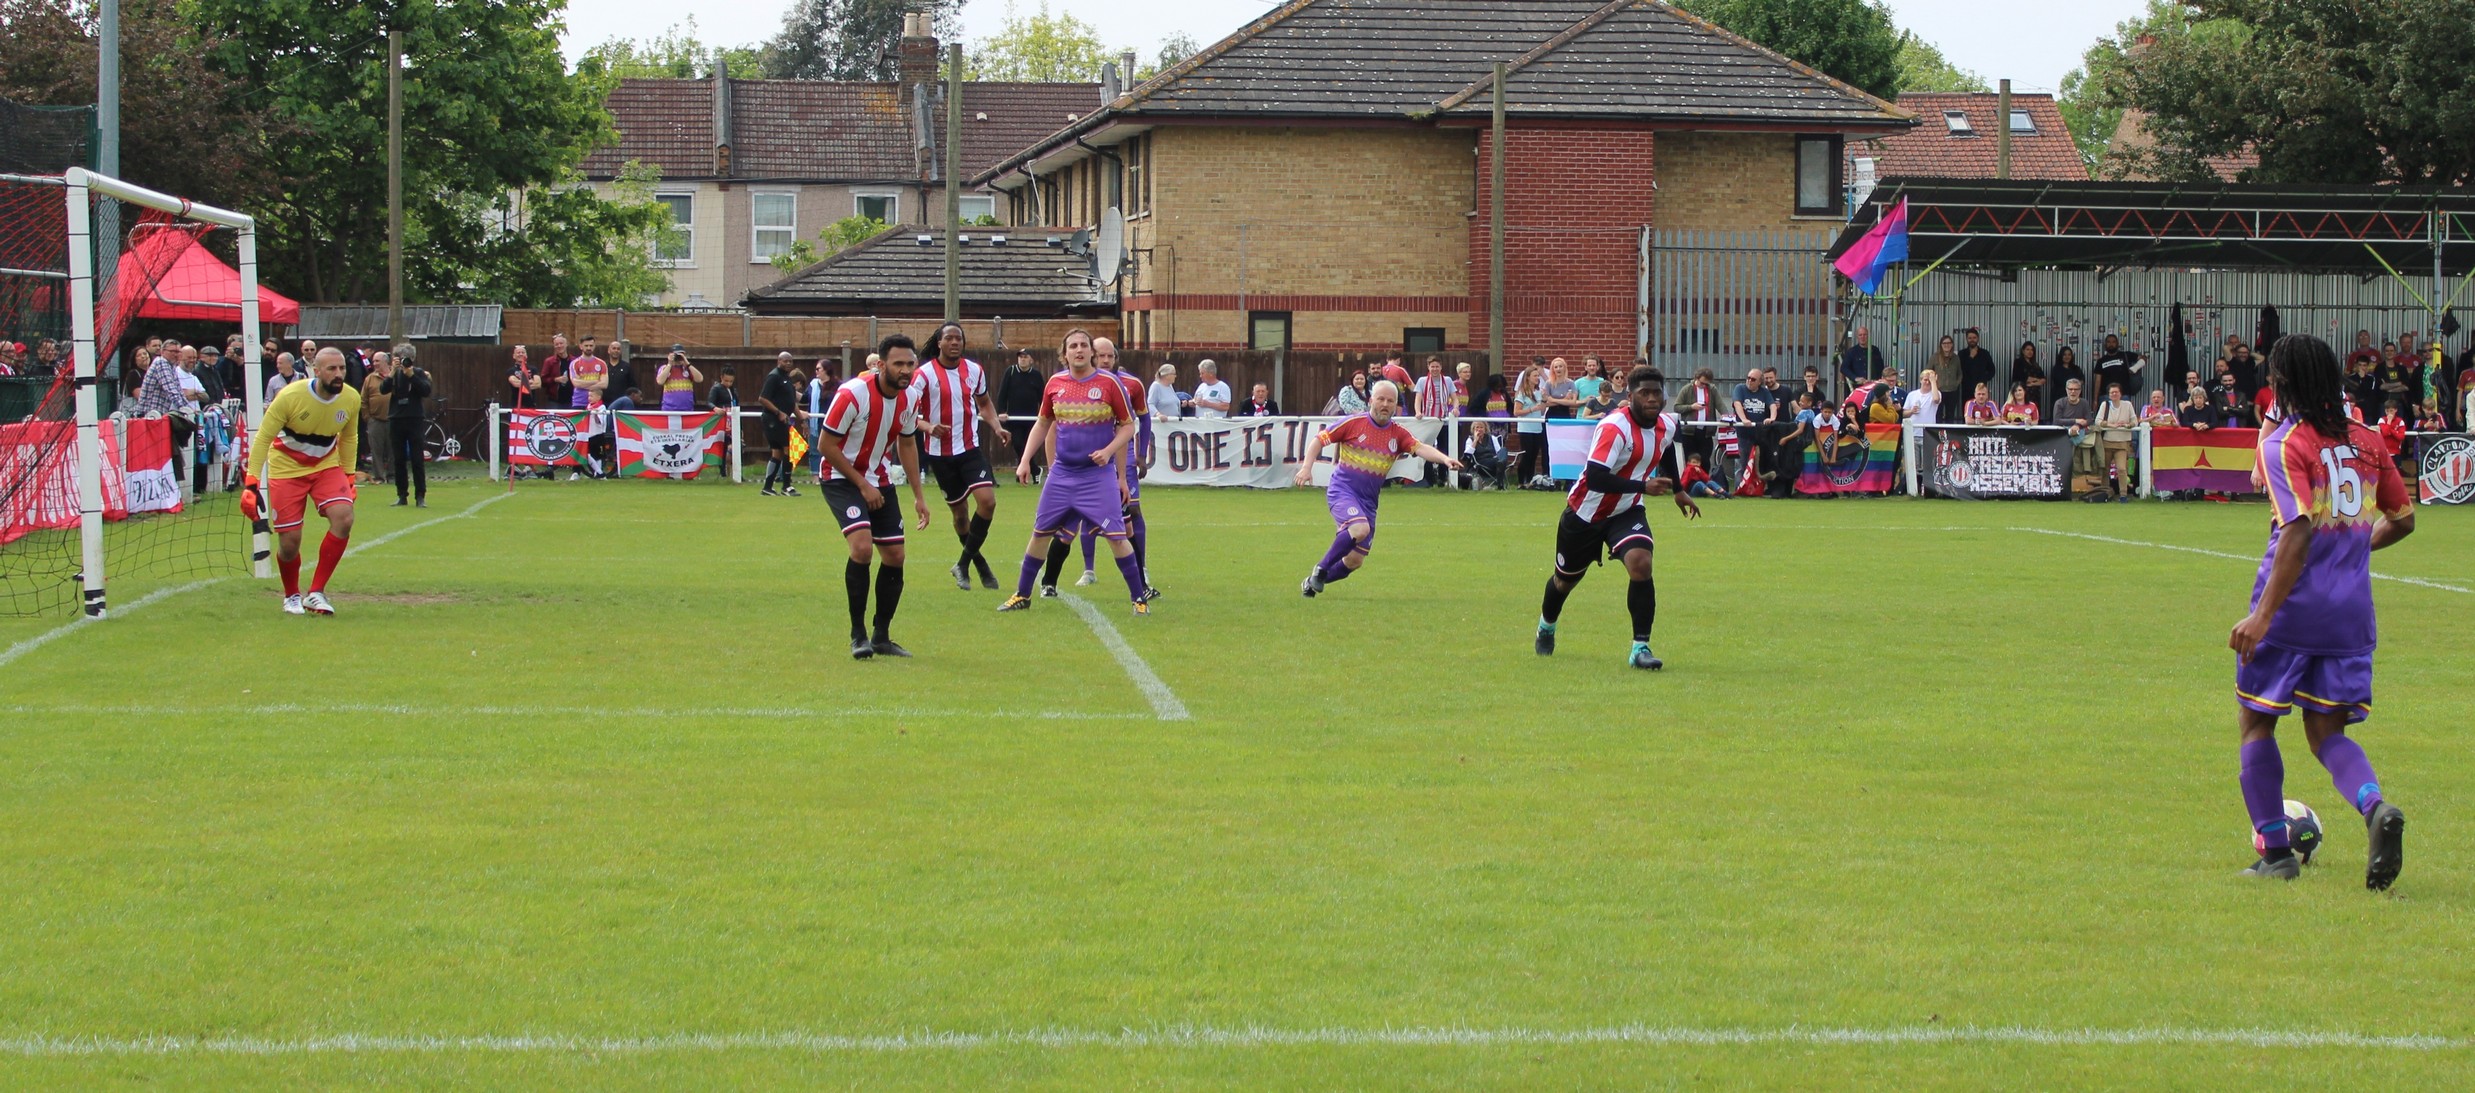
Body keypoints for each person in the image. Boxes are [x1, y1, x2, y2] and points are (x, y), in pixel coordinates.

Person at [2229, 334, 2414, 886]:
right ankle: (2374, 806)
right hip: (2350, 614)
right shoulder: (2368, 439)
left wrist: (2262, 616)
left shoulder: (2284, 442)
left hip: (2290, 610)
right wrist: (2355, 549)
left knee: (2256, 721)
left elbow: (2297, 531)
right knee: (2326, 732)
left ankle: (2277, 855)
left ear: (2283, 384)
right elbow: (2403, 519)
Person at [1535, 364, 1699, 669]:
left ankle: (1640, 649)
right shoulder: (1614, 427)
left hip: (1627, 510)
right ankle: (1547, 625)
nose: (1652, 399)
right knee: (1564, 582)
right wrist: (1643, 486)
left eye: (1656, 393)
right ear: (1631, 397)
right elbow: (1596, 477)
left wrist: (1678, 489)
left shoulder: (1666, 424)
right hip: (1585, 514)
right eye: (1644, 393)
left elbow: (1664, 448)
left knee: (1641, 563)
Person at [998, 329, 1151, 615]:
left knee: (1117, 536)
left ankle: (1138, 599)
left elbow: (1128, 426)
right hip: (1062, 474)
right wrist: (1025, 460)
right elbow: (1043, 423)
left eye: (1083, 345)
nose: (1079, 350)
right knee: (1040, 533)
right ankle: (1022, 594)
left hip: (1097, 476)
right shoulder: (1055, 383)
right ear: (1064, 353)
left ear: (1091, 352)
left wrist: (1109, 453)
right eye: (1073, 346)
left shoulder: (1109, 383)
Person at [818, 334, 931, 660]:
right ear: (881, 365)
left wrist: (919, 495)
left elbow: (907, 444)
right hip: (840, 478)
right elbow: (826, 446)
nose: (905, 370)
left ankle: (882, 636)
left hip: (879, 480)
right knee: (862, 547)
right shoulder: (852, 394)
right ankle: (858, 635)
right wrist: (862, 485)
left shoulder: (910, 398)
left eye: (910, 363)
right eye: (898, 364)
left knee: (895, 555)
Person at [1295, 380, 1460, 597]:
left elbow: (1421, 448)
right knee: (1359, 529)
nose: (1385, 404)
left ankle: (1311, 582)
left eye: (1390, 401)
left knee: (1354, 561)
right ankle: (1321, 568)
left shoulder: (1398, 434)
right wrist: (1306, 468)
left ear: (1395, 405)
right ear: (1371, 400)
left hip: (1369, 501)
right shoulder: (1353, 423)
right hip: (1343, 491)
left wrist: (1445, 459)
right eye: (1380, 399)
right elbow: (1318, 440)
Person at [244, 348, 360, 616]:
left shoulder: (351, 398)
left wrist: (349, 475)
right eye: (331, 369)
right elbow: (263, 438)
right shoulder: (290, 397)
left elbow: (349, 437)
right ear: (316, 371)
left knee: (344, 518)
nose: (339, 374)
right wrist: (251, 483)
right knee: (290, 543)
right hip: (286, 469)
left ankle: (316, 592)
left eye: (342, 368)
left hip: (326, 465)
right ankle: (291, 595)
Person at [910, 322, 1009, 592]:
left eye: (959, 338)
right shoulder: (924, 374)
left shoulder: (974, 370)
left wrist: (996, 427)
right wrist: (928, 426)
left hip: (969, 449)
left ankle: (963, 564)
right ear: (939, 343)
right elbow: (907, 413)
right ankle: (978, 564)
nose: (954, 342)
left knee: (987, 502)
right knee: (960, 516)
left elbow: (984, 403)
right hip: (940, 455)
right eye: (949, 338)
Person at [378, 343, 431, 507]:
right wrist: (392, 373)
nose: (403, 362)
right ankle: (402, 494)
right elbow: (383, 389)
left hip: (414, 418)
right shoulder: (393, 374)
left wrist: (411, 375)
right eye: (399, 359)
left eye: (405, 359)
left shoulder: (419, 373)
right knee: (398, 459)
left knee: (417, 459)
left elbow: (426, 391)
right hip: (396, 418)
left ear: (412, 359)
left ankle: (420, 495)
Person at [756, 352, 799, 496]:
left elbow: (791, 401)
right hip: (773, 420)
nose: (788, 363)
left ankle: (767, 487)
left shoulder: (786, 378)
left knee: (777, 453)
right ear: (778, 361)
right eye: (785, 361)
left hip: (780, 420)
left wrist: (802, 419)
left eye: (790, 361)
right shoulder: (774, 376)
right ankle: (786, 486)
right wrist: (778, 412)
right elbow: (762, 398)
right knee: (789, 449)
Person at [2094, 382, 2139, 500]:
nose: (2114, 394)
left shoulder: (2127, 405)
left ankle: (2123, 494)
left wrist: (2128, 425)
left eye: (2116, 392)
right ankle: (2105, 494)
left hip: (2122, 442)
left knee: (2122, 469)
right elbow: (2097, 421)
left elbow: (2135, 421)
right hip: (2107, 441)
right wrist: (2110, 425)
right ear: (2108, 395)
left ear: (2120, 394)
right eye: (2112, 392)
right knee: (2105, 469)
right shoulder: (2105, 405)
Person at [2051, 377, 2096, 483]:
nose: (2073, 392)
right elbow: (2056, 421)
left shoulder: (2084, 403)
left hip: (2079, 432)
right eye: (2070, 389)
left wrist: (2077, 425)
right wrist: (2075, 420)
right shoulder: (2059, 403)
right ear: (2066, 389)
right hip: (2062, 433)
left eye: (2076, 389)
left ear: (2080, 391)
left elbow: (2089, 419)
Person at [360, 349, 394, 485]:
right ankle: (379, 477)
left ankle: (392, 476)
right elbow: (363, 399)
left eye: (377, 361)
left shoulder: (396, 375)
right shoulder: (370, 378)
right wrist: (368, 418)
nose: (374, 363)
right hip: (375, 420)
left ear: (385, 362)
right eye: (373, 361)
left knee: (393, 450)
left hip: (394, 420)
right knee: (376, 451)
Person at [1511, 363, 1547, 487]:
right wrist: (1531, 409)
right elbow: (1516, 412)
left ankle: (1530, 480)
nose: (1537, 378)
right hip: (1526, 428)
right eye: (1535, 376)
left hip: (1537, 428)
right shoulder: (1522, 394)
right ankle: (1521, 481)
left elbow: (1541, 411)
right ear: (1528, 377)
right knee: (1526, 455)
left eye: (1538, 376)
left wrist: (1544, 400)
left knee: (1534, 456)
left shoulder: (1538, 393)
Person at [1956, 328, 1996, 415]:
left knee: (1983, 413)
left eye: (1974, 338)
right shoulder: (1962, 354)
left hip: (1981, 390)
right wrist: (1970, 358)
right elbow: (1958, 370)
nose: (1972, 340)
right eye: (1970, 338)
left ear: (1978, 339)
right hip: (1966, 389)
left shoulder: (1984, 353)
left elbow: (1992, 370)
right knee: (1967, 412)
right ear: (1966, 339)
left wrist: (1984, 378)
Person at [2094, 333, 2144, 398]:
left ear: (2117, 344)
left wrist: (2135, 368)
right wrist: (2095, 399)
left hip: (2123, 395)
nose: (2111, 344)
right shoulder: (2101, 361)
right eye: (2108, 342)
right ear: (2105, 344)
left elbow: (2143, 358)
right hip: (2106, 396)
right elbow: (2097, 381)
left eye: (2113, 342)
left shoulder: (2126, 355)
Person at [1924, 335, 1961, 423]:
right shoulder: (1935, 357)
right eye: (1944, 343)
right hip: (1938, 391)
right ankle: (1937, 432)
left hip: (1952, 391)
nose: (1946, 345)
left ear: (1952, 344)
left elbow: (1960, 374)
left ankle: (1949, 431)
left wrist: (1956, 384)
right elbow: (1928, 371)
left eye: (1949, 343)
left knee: (1950, 416)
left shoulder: (1956, 358)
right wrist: (1933, 384)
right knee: (1938, 415)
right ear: (1941, 345)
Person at [1462, 419, 1508, 489]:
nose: (1479, 429)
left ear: (1485, 429)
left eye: (1481, 427)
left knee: (1503, 450)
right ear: (1473, 429)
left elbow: (1499, 452)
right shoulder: (1470, 440)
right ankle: (1500, 482)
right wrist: (1475, 440)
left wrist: (1498, 459)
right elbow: (1467, 455)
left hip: (1494, 460)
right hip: (1480, 463)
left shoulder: (1492, 438)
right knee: (1500, 462)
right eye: (1477, 427)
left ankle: (1500, 465)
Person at [569, 338, 608, 410]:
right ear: (581, 346)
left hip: (596, 404)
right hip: (579, 402)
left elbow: (604, 384)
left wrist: (583, 384)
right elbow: (576, 384)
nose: (589, 348)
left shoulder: (601, 363)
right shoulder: (574, 363)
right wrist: (596, 381)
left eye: (591, 345)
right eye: (586, 346)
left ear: (594, 346)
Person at [538, 333, 572, 409]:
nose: (559, 346)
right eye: (556, 344)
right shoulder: (549, 362)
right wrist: (555, 379)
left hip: (572, 400)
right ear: (554, 346)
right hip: (554, 401)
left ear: (566, 344)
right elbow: (543, 380)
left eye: (561, 343)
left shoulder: (574, 361)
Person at [2049, 346, 2084, 418]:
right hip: (2060, 396)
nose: (2067, 357)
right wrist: (2074, 383)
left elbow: (2082, 380)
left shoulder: (2076, 368)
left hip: (2074, 397)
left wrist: (2075, 386)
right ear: (2061, 356)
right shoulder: (2056, 369)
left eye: (2069, 354)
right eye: (2064, 354)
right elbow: (2060, 381)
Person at [2013, 341, 2046, 418]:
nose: (2030, 352)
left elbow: (2043, 380)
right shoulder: (2018, 362)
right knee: (2023, 414)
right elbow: (2024, 378)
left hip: (2035, 394)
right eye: (2027, 349)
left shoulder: (2035, 364)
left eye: (2032, 350)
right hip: (2023, 393)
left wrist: (2033, 383)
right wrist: (2037, 380)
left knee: (2034, 414)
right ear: (2023, 351)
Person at [505, 345, 540, 409]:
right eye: (518, 353)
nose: (521, 354)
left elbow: (538, 384)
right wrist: (530, 381)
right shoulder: (511, 371)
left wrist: (522, 383)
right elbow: (515, 383)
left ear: (526, 355)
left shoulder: (533, 369)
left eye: (523, 352)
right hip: (516, 405)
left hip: (531, 405)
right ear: (514, 356)